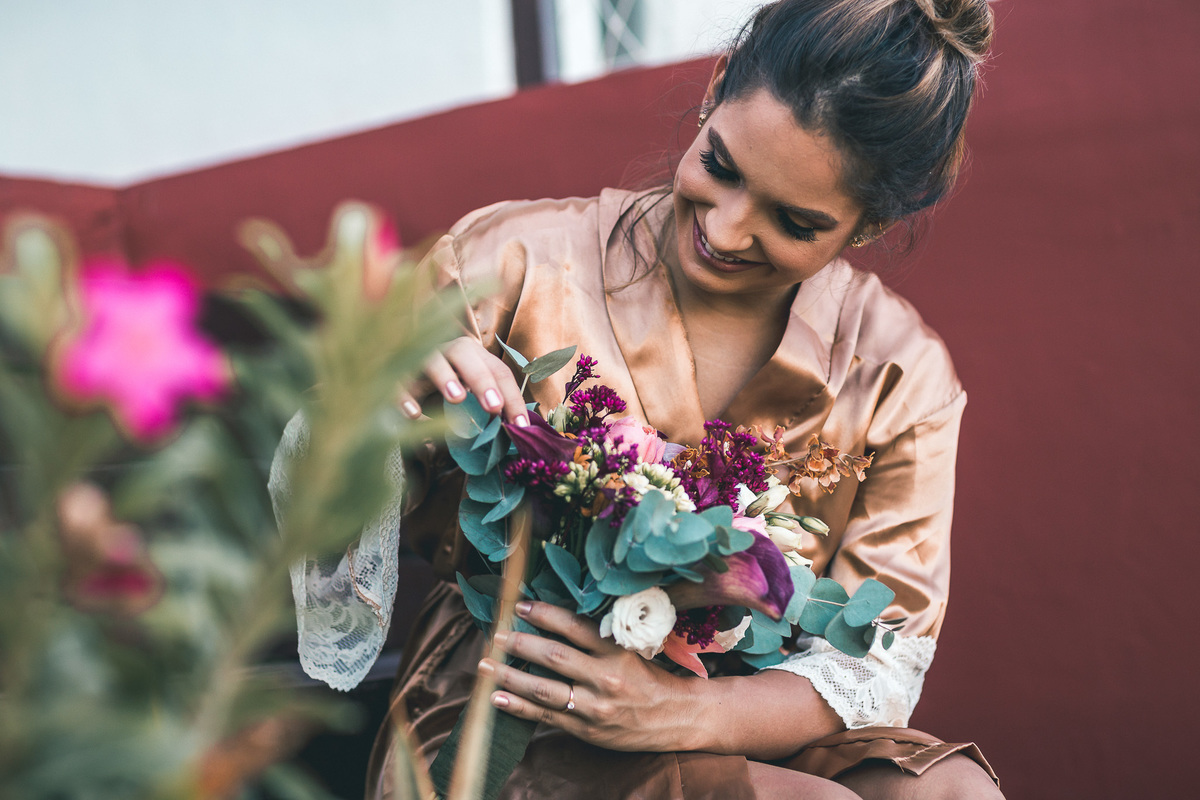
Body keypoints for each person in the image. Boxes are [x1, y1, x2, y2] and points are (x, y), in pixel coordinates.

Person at [362, 1, 1003, 796]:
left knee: (951, 792)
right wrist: (388, 405)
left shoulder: (900, 373)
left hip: (745, 709)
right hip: (518, 692)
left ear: (869, 223)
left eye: (794, 222)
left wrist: (682, 713)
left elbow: (878, 653)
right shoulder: (510, 264)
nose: (726, 232)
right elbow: (327, 517)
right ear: (716, 85)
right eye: (722, 168)